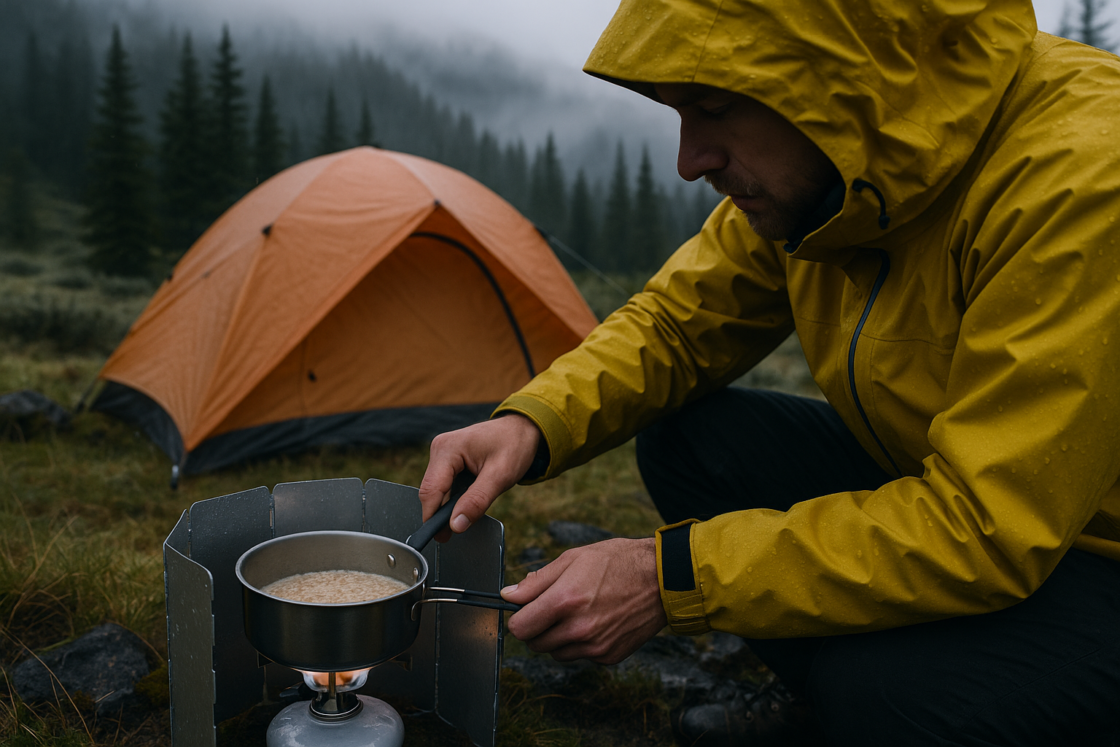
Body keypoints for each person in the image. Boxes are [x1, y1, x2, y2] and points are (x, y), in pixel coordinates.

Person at [419, 0, 1120, 743]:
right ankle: (844, 693)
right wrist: (530, 422)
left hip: (1082, 547)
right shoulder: (838, 165)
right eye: (678, 113)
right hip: (955, 493)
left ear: (837, 80)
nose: (691, 160)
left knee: (889, 694)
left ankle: (874, 698)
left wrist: (669, 578)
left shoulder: (1081, 176)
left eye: (715, 108)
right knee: (693, 438)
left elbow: (988, 525)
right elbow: (678, 325)